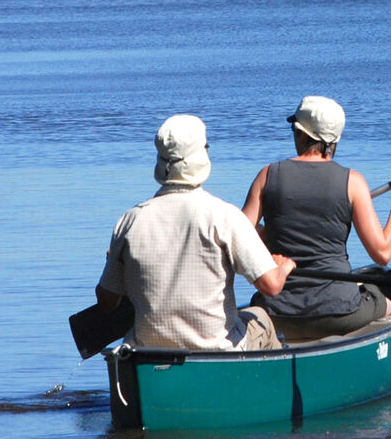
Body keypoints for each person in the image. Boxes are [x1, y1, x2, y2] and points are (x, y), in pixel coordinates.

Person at [93, 114, 293, 351]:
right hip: (217, 351)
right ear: (202, 157)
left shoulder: (130, 221)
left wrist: (117, 266)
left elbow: (106, 303)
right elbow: (271, 286)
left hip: (146, 351)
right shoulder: (224, 216)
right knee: (261, 317)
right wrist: (283, 268)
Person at [241, 95, 391, 340]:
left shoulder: (267, 175)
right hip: (339, 312)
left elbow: (238, 237)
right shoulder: (353, 183)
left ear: (302, 135)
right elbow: (382, 253)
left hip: (276, 312)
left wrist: (266, 234)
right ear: (334, 141)